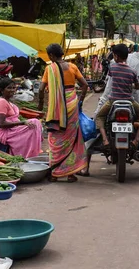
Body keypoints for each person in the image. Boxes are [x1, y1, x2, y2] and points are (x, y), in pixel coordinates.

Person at [81, 44, 139, 176]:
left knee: (94, 124)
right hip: (129, 102)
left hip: (108, 101)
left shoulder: (114, 63)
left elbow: (108, 84)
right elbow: (138, 93)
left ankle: (85, 167)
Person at [39, 43, 89, 182]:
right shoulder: (72, 67)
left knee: (55, 137)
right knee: (71, 138)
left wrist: (41, 104)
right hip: (71, 104)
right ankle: (70, 174)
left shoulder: (49, 69)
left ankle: (55, 172)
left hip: (56, 106)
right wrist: (80, 101)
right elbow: (85, 85)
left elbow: (41, 89)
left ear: (52, 55)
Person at [95, 44, 139, 147]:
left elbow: (109, 82)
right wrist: (131, 85)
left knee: (99, 116)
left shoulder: (112, 68)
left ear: (116, 56)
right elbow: (137, 86)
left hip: (112, 101)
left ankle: (105, 139)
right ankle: (136, 140)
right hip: (129, 101)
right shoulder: (132, 71)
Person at [0, 78, 42, 158]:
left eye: (13, 88)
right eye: (9, 88)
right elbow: (1, 124)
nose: (12, 90)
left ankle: (30, 152)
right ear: (2, 90)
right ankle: (27, 155)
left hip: (9, 129)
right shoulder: (2, 102)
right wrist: (22, 123)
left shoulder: (7, 101)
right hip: (3, 131)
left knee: (35, 122)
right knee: (35, 122)